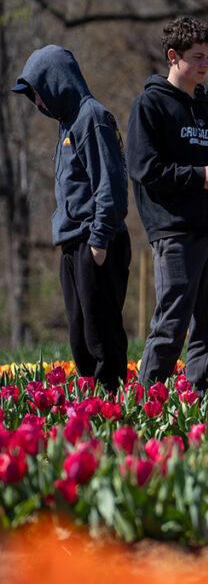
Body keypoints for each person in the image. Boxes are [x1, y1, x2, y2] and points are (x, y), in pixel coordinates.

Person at [127, 16, 208, 393]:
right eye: (197, 57)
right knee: (172, 322)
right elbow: (145, 168)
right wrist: (200, 177)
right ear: (173, 57)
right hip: (175, 230)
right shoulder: (150, 106)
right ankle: (147, 399)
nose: (205, 64)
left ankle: (199, 399)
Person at [11, 45, 132, 394]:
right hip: (73, 241)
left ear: (56, 82)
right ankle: (93, 403)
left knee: (101, 333)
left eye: (38, 92)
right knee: (80, 334)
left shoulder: (91, 118)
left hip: (95, 241)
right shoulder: (67, 125)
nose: (37, 103)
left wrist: (99, 240)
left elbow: (111, 184)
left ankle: (113, 402)